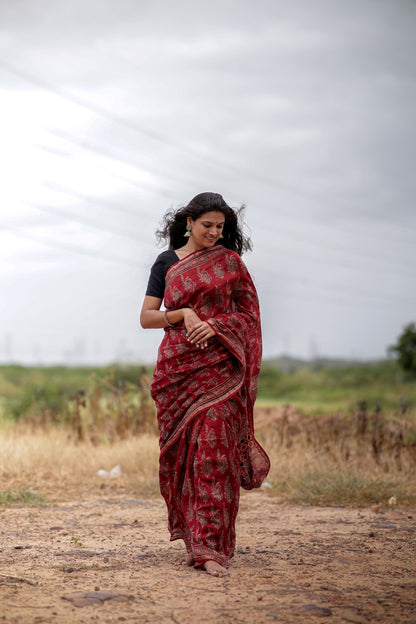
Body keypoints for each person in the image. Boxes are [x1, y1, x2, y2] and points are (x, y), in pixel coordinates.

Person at [140, 192, 270, 577]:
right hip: (178, 373)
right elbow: (147, 317)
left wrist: (216, 325)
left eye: (221, 227)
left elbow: (249, 316)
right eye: (207, 225)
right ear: (189, 223)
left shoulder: (232, 264)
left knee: (214, 457)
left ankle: (212, 547)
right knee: (184, 459)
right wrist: (183, 313)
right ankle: (194, 537)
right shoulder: (166, 262)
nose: (214, 233)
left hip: (222, 372)